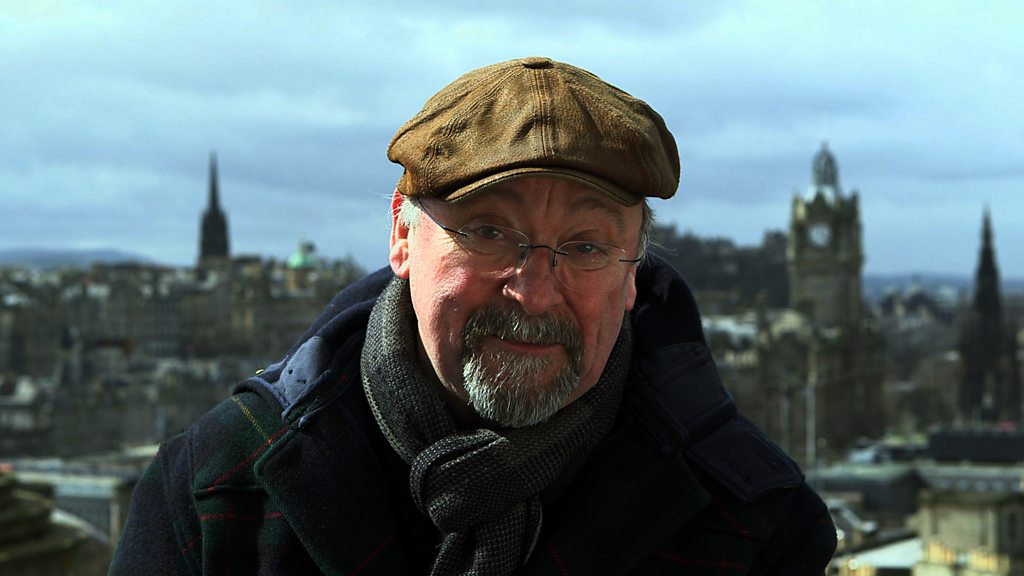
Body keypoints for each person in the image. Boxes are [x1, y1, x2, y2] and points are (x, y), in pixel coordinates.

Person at [109, 56, 836, 575]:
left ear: (632, 276)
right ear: (402, 235)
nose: (536, 292)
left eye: (586, 246)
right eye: (489, 231)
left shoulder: (756, 527)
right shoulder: (215, 490)